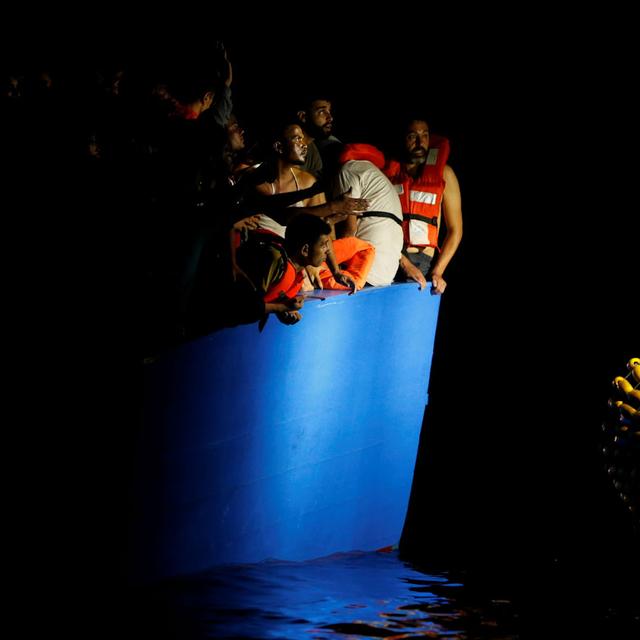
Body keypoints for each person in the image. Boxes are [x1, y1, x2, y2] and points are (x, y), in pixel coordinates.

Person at [384, 118, 463, 294]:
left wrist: (438, 271)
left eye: (425, 136)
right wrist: (402, 261)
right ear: (402, 139)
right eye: (413, 136)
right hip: (390, 257)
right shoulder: (387, 175)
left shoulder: (445, 174)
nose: (420, 142)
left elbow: (456, 230)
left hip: (423, 263)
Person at [334, 143, 425, 288]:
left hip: (366, 268)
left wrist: (333, 268)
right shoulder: (378, 176)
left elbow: (348, 230)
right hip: (388, 271)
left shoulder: (348, 170)